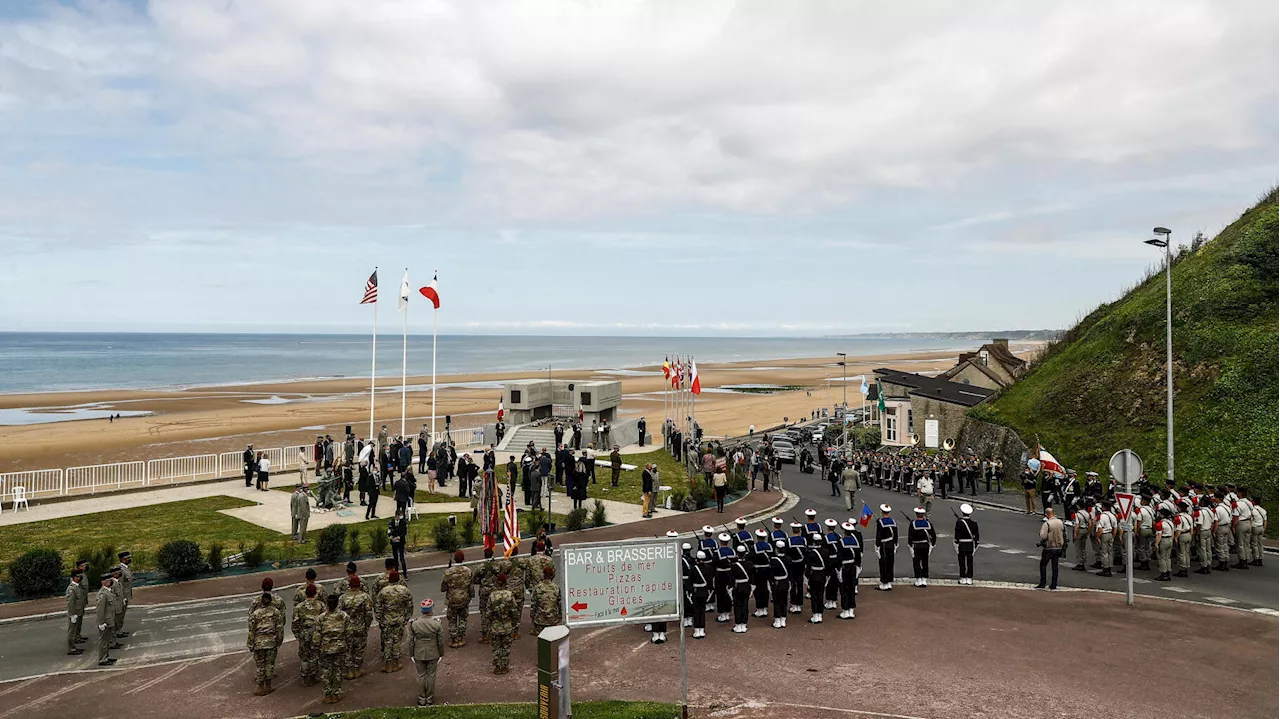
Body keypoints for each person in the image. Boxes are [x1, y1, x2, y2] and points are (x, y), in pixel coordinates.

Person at [407, 598, 445, 707]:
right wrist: (441, 653)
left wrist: (411, 654)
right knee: (431, 676)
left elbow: (410, 641)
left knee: (420, 676)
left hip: (418, 652)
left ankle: (421, 699)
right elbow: (440, 641)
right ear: (431, 610)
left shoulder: (415, 624)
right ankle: (429, 698)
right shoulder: (436, 624)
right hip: (433, 652)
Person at [376, 570, 414, 673]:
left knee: (388, 641)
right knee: (397, 641)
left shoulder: (383, 591)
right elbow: (409, 605)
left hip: (387, 620)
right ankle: (397, 662)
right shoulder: (404, 590)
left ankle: (388, 664)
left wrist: (379, 619)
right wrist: (407, 618)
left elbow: (378, 607)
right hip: (399, 619)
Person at [246, 589, 283, 694]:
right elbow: (279, 628)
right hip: (271, 642)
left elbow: (251, 630)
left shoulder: (255, 613)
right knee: (269, 665)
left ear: (261, 601)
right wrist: (279, 641)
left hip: (259, 642)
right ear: (271, 601)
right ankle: (268, 686)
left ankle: (260, 687)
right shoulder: (276, 613)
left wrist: (250, 644)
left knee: (260, 665)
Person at [338, 576, 373, 679]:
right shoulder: (365, 597)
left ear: (349, 586)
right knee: (359, 648)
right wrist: (366, 626)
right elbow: (369, 614)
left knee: (348, 649)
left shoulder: (343, 598)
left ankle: (349, 671)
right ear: (359, 585)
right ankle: (357, 669)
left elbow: (339, 614)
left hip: (347, 628)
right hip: (360, 627)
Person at [317, 594, 348, 704]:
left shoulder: (321, 618)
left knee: (326, 671)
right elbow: (349, 632)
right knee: (338, 670)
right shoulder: (343, 616)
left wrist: (317, 647)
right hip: (339, 647)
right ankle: (336, 693)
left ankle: (327, 694)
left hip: (325, 648)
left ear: (327, 604)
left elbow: (316, 636)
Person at [292, 585, 326, 686]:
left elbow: (295, 622)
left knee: (304, 656)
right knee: (314, 655)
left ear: (305, 594)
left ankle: (304, 677)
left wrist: (297, 634)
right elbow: (324, 620)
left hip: (304, 633)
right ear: (315, 593)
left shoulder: (299, 607)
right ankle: (313, 676)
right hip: (316, 633)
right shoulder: (321, 605)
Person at [440, 551, 473, 648]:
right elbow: (470, 587)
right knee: (463, 618)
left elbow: (443, 588)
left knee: (452, 619)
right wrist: (470, 597)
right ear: (463, 559)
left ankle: (454, 639)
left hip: (452, 600)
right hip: (464, 599)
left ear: (454, 559)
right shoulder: (468, 571)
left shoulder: (449, 572)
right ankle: (461, 638)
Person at [487, 574, 518, 674]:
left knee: (496, 647)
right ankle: (504, 666)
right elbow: (514, 611)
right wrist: (514, 624)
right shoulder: (509, 595)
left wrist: (489, 625)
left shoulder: (492, 596)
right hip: (507, 625)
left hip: (495, 626)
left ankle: (497, 666)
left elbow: (488, 613)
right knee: (506, 647)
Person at [1036, 507, 1065, 589]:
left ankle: (1043, 583)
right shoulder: (1060, 522)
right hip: (1058, 547)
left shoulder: (1047, 524)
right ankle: (1054, 584)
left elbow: (1043, 536)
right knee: (1055, 566)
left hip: (1049, 547)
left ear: (1046, 514)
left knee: (1043, 564)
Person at [530, 565, 562, 638]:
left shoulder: (538, 587)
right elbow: (559, 603)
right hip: (552, 619)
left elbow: (533, 605)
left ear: (543, 575)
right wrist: (560, 617)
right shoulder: (556, 587)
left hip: (540, 620)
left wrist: (532, 617)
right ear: (552, 575)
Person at [908, 507, 937, 587]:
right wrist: (932, 545)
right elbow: (933, 536)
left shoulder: (913, 524)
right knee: (925, 562)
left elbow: (910, 537)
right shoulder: (928, 523)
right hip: (926, 545)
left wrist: (910, 546)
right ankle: (924, 579)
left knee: (916, 562)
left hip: (916, 545)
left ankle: (918, 579)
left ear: (916, 514)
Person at [837, 522, 861, 619]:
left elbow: (839, 557)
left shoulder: (841, 542)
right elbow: (858, 557)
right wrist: (858, 568)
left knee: (844, 589)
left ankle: (845, 610)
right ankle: (851, 610)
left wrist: (838, 570)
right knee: (851, 588)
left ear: (844, 531)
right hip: (853, 567)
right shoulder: (856, 542)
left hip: (844, 567)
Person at [874, 504, 898, 591]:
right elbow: (895, 534)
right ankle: (889, 582)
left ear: (881, 512)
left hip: (884, 544)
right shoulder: (893, 521)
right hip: (891, 544)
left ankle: (884, 582)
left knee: (883, 563)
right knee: (890, 562)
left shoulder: (880, 522)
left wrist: (877, 546)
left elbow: (878, 535)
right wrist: (895, 544)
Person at [954, 504, 979, 584]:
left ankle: (962, 577)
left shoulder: (959, 523)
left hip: (962, 544)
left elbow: (957, 535)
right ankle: (969, 578)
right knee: (970, 561)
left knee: (962, 562)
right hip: (970, 544)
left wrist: (956, 543)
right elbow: (977, 537)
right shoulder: (974, 523)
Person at [730, 545, 753, 634]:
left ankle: (738, 624)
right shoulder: (749, 564)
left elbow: (731, 578)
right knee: (745, 605)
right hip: (746, 586)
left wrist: (730, 588)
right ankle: (744, 624)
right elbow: (752, 576)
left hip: (737, 586)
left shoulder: (734, 565)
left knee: (737, 606)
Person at [688, 552, 710, 639]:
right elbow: (710, 581)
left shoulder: (693, 569)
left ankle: (697, 630)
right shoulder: (708, 568)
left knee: (696, 611)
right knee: (702, 611)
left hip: (696, 592)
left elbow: (690, 581)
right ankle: (702, 629)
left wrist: (689, 591)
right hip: (704, 591)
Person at [65, 570, 87, 655]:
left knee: (75, 630)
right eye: (78, 576)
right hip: (74, 614)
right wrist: (72, 614)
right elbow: (70, 603)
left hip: (78, 612)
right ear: (74, 577)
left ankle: (74, 646)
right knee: (72, 631)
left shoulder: (77, 587)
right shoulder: (72, 589)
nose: (80, 578)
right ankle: (71, 649)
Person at [113, 551, 134, 638]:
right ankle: (116, 631)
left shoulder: (126, 568)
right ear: (122, 559)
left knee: (122, 614)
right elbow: (119, 584)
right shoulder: (120, 569)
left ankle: (119, 630)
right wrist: (122, 597)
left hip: (126, 595)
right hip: (122, 596)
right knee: (119, 615)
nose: (129, 559)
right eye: (127, 558)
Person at [1094, 500, 1117, 577]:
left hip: (1104, 534)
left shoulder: (1102, 516)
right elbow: (1115, 528)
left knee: (1104, 552)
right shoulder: (1113, 516)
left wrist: (1097, 537)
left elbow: (1100, 529)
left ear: (1103, 507)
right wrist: (1113, 536)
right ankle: (1110, 567)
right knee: (1110, 552)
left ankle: (1105, 568)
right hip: (1110, 534)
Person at [1153, 507, 1176, 582]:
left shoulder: (1160, 524)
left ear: (1162, 515)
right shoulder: (1170, 522)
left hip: (1163, 540)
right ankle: (1168, 573)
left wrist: (1156, 544)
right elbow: (1173, 533)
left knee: (1161, 557)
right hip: (1170, 540)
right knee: (1167, 557)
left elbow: (1158, 535)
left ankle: (1163, 573)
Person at [388, 509, 409, 575]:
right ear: (397, 516)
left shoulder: (403, 523)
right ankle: (396, 572)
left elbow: (404, 532)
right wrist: (392, 538)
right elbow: (389, 532)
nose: (401, 516)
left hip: (401, 542)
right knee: (395, 558)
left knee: (402, 558)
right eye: (400, 515)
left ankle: (405, 573)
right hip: (394, 543)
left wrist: (399, 537)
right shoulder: (391, 523)